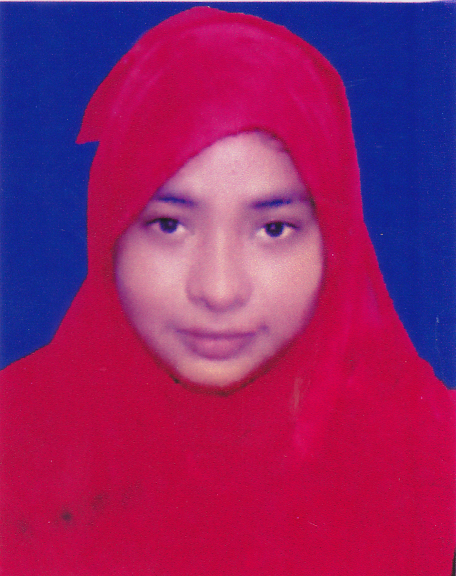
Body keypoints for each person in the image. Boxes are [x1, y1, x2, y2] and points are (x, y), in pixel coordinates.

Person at [1, 7, 454, 575]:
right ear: (109, 230)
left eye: (274, 229)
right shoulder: (16, 442)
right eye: (169, 225)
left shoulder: (429, 459)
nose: (218, 290)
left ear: (334, 239)